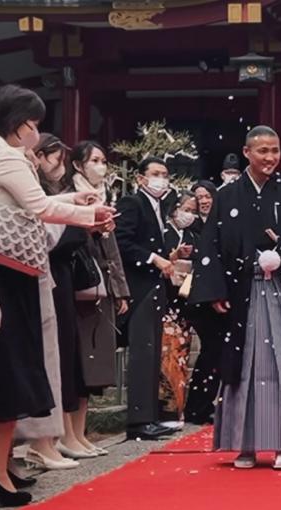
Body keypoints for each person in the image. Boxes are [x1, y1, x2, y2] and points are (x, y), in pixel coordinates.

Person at [0, 85, 113, 506]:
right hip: (8, 275)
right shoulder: (6, 156)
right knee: (10, 373)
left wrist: (73, 199)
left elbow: (32, 202)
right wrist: (90, 213)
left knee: (0, 373)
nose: (36, 132)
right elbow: (39, 207)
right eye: (34, 124)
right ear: (18, 123)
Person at [190, 125, 281, 470]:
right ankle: (245, 445)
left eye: (275, 151)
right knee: (244, 368)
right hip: (243, 293)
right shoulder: (227, 196)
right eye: (262, 151)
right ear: (247, 152)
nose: (270, 158)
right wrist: (215, 290)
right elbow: (209, 244)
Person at [15, 134, 84, 472]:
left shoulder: (39, 187)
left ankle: (50, 440)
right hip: (26, 272)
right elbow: (43, 220)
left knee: (53, 361)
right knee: (37, 361)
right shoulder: (10, 171)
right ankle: (38, 443)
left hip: (44, 274)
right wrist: (78, 212)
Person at [68, 140, 131, 454]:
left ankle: (80, 433)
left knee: (93, 364)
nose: (101, 165)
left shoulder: (106, 195)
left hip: (102, 281)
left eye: (104, 160)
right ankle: (68, 434)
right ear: (78, 165)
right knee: (77, 361)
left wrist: (121, 289)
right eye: (94, 160)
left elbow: (113, 249)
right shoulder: (70, 195)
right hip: (79, 280)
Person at [115, 156, 176, 441]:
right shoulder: (132, 203)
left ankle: (150, 415)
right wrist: (154, 259)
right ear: (141, 178)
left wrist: (169, 257)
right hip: (139, 285)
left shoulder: (159, 206)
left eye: (165, 173)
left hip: (154, 284)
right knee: (142, 352)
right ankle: (139, 419)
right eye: (155, 173)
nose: (161, 178)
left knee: (152, 352)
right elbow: (123, 241)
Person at [184, 181, 224, 425]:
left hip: (215, 293)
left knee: (215, 352)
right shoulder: (192, 226)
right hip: (199, 296)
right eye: (199, 197)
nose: (204, 201)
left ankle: (204, 404)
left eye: (207, 196)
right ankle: (197, 407)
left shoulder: (220, 222)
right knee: (212, 351)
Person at [158, 191, 199, 426]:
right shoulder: (164, 232)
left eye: (193, 211)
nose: (189, 214)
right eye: (186, 209)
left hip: (184, 298)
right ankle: (166, 411)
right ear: (174, 209)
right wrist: (172, 257)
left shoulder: (191, 234)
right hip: (167, 299)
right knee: (167, 357)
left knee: (181, 357)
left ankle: (179, 409)